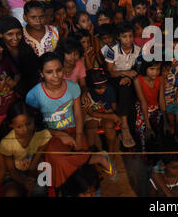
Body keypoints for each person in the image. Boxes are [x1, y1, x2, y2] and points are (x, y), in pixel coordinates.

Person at [25, 53, 117, 194]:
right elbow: (36, 124)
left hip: (74, 130)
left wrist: (79, 137)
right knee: (57, 160)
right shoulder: (34, 95)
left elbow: (78, 115)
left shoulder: (73, 87)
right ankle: (97, 157)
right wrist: (59, 134)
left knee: (84, 170)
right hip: (50, 135)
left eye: (59, 70)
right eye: (49, 72)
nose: (56, 75)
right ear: (41, 73)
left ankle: (89, 184)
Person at [0, 101, 52, 197]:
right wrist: (24, 181)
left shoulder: (42, 134)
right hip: (15, 174)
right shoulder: (6, 143)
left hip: (36, 169)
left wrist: (31, 173)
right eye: (19, 127)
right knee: (11, 193)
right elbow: (11, 169)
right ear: (11, 125)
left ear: (33, 119)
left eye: (29, 123)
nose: (25, 130)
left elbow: (37, 158)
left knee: (40, 189)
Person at [105, 22, 139, 148]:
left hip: (129, 80)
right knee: (123, 87)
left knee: (130, 101)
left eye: (130, 36)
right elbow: (110, 73)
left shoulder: (137, 50)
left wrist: (130, 77)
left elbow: (138, 69)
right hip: (115, 80)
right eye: (125, 36)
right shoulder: (111, 50)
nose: (128, 39)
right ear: (119, 37)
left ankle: (129, 132)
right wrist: (126, 73)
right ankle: (124, 125)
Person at [0, 16, 40, 96]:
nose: (15, 38)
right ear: (0, 34)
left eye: (18, 33)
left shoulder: (27, 49)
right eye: (10, 34)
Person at [133, 60, 170, 151]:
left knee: (163, 129)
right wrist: (148, 126)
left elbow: (161, 99)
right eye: (152, 69)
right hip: (142, 107)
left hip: (155, 107)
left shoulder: (160, 78)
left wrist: (166, 121)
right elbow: (143, 102)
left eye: (158, 69)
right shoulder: (138, 79)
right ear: (145, 68)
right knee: (142, 130)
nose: (155, 72)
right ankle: (144, 154)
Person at [83, 68, 120, 154]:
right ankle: (93, 154)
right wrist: (112, 116)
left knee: (109, 126)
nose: (102, 90)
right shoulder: (87, 94)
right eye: (99, 88)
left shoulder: (110, 90)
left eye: (104, 87)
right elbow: (91, 113)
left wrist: (113, 116)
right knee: (90, 129)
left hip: (107, 113)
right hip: (92, 116)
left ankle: (111, 152)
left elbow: (114, 108)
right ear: (92, 87)